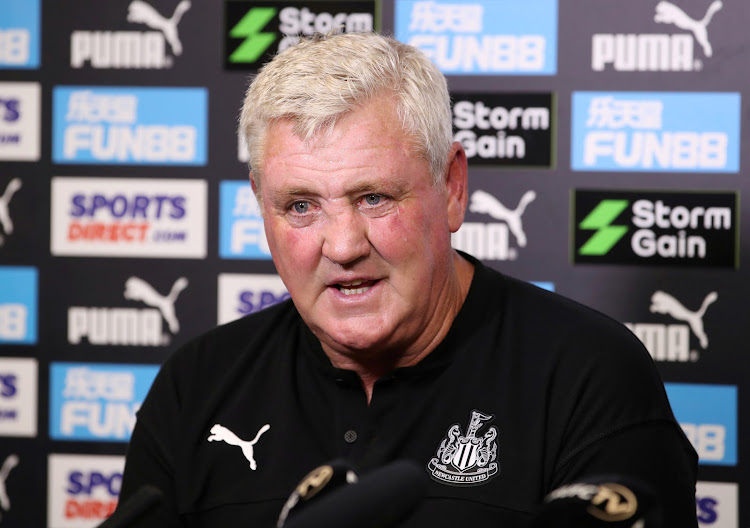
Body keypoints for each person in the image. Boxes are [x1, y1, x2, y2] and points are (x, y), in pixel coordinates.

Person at [117, 31, 698, 527]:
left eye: (374, 198)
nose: (343, 246)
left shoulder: (586, 373)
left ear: (451, 188)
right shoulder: (196, 386)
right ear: (259, 205)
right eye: (299, 206)